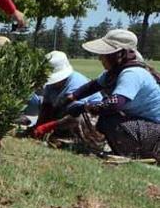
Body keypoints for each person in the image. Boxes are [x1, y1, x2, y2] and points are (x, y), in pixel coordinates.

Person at [63, 29, 160, 160]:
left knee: (107, 119)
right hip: (145, 125)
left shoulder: (132, 73)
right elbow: (94, 85)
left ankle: (131, 154)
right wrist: (72, 97)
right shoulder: (114, 72)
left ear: (118, 54)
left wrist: (84, 107)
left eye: (104, 55)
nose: (100, 59)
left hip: (154, 131)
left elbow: (115, 103)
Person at [28, 51, 102, 141]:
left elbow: (73, 116)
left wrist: (46, 127)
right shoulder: (50, 85)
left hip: (89, 118)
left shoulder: (76, 83)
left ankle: (77, 140)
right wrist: (38, 125)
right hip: (65, 113)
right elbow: (46, 107)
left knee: (79, 117)